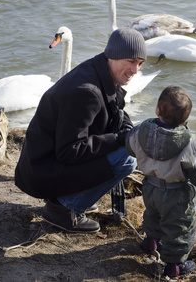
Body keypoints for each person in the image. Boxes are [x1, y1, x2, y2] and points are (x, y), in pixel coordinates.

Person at [15, 27, 147, 233]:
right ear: (113, 56)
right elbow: (70, 150)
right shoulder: (87, 92)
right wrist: (118, 139)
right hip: (41, 172)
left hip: (44, 162)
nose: (135, 70)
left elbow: (116, 110)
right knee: (126, 159)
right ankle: (64, 208)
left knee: (125, 144)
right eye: (130, 61)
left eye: (140, 63)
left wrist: (126, 129)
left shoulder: (99, 71)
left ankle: (75, 197)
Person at [125, 85, 196, 278]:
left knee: (153, 214)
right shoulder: (192, 143)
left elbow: (130, 147)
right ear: (186, 118)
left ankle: (150, 241)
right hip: (175, 193)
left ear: (157, 110)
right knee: (179, 227)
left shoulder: (141, 130)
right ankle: (175, 265)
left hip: (149, 187)